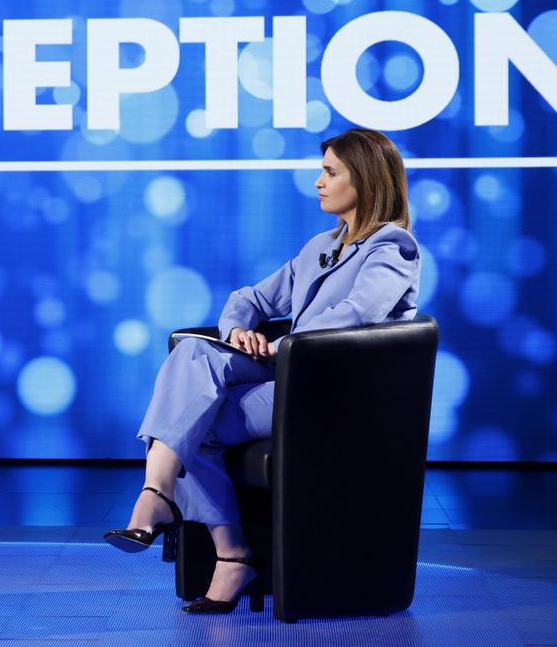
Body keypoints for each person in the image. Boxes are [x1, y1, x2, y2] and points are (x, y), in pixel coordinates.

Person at [104, 128, 421, 613]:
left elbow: (360, 313)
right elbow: (249, 299)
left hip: (334, 392)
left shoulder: (394, 248)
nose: (318, 182)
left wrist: (279, 345)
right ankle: (179, 511)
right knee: (190, 360)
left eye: (330, 172)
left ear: (366, 180)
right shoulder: (320, 246)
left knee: (190, 416)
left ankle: (195, 528)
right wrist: (238, 332)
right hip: (289, 381)